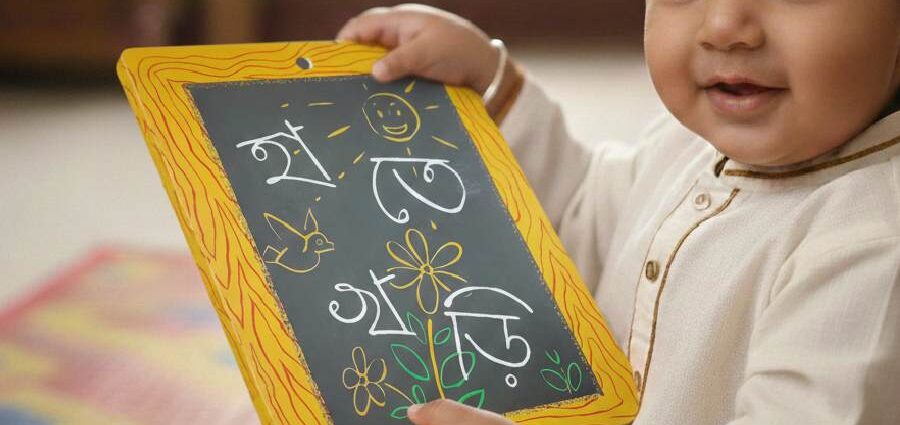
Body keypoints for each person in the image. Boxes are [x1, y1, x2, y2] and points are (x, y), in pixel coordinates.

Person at [336, 2, 900, 424]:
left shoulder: (869, 248)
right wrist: (489, 85)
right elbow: (580, 220)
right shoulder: (685, 145)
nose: (725, 24)